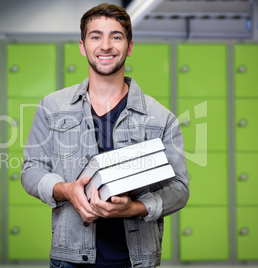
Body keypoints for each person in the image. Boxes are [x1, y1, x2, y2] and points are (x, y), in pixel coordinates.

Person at [21, 3, 189, 268]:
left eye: (116, 36)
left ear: (130, 47)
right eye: (96, 36)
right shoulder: (52, 107)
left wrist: (135, 208)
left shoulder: (161, 118)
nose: (106, 45)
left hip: (135, 261)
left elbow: (179, 188)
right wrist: (67, 190)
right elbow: (32, 170)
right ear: (82, 46)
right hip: (70, 259)